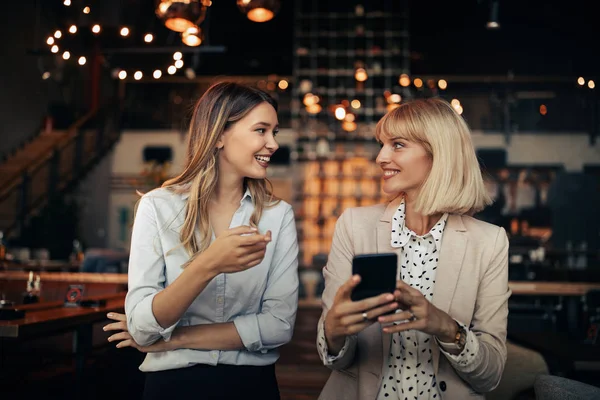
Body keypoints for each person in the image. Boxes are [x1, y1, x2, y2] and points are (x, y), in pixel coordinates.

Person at [103, 81, 299, 400]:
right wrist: (207, 265)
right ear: (219, 134)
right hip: (172, 387)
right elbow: (141, 325)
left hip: (251, 386)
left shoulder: (278, 216)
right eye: (261, 130)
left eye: (274, 132)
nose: (273, 143)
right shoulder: (158, 207)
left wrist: (172, 340)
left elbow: (278, 326)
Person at [317, 98, 510, 399]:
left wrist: (446, 327)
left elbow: (492, 375)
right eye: (382, 144)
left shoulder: (489, 242)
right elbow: (336, 358)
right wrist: (333, 330)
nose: (381, 157)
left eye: (397, 145)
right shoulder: (354, 226)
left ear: (438, 154)